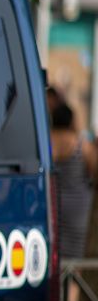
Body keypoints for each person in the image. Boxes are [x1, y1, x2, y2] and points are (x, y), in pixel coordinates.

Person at [48, 92, 95, 260]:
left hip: (53, 203)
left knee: (54, 251)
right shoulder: (81, 144)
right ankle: (73, 285)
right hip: (78, 207)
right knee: (75, 259)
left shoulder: (49, 142)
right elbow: (93, 170)